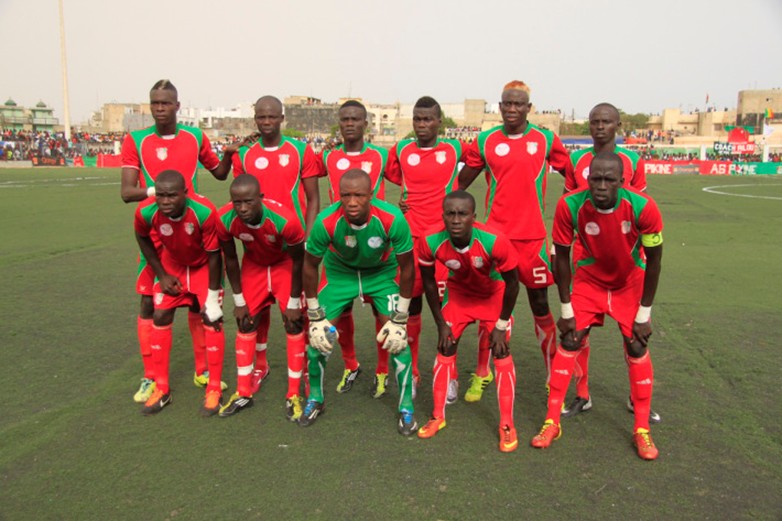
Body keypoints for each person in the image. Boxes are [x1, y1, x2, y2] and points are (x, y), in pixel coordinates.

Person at [530, 151, 663, 461]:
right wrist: (565, 310)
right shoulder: (571, 205)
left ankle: (641, 429)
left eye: (609, 180)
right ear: (587, 179)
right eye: (595, 179)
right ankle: (552, 421)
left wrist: (644, 314)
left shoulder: (643, 207)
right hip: (589, 281)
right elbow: (560, 257)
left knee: (636, 345)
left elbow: (654, 262)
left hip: (629, 281)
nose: (601, 186)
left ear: (622, 181)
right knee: (570, 339)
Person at [120, 79, 234, 404]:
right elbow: (127, 192)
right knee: (149, 302)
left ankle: (203, 370)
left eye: (165, 103)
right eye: (154, 103)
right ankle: (150, 377)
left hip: (191, 227)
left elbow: (220, 173)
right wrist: (165, 193)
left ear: (177, 106)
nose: (159, 109)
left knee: (199, 305)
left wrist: (226, 156)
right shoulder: (136, 140)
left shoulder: (195, 136)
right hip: (158, 230)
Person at [458, 80, 572, 395]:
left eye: (518, 104)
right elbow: (461, 183)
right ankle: (483, 372)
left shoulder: (545, 140)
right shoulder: (486, 141)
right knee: (491, 306)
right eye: (506, 103)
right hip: (495, 238)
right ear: (499, 106)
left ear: (528, 108)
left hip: (533, 239)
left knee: (539, 305)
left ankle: (553, 377)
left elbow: (572, 177)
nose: (511, 109)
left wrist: (567, 211)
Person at [298, 169, 418, 435]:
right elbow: (309, 266)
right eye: (346, 195)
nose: (351, 202)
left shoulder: (391, 218)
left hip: (382, 273)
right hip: (341, 274)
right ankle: (315, 399)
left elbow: (408, 268)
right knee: (317, 337)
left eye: (359, 195)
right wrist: (315, 313)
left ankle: (406, 406)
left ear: (371, 195)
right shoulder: (326, 221)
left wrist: (401, 316)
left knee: (397, 337)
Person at [561, 102, 659, 423]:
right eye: (594, 122)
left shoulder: (632, 161)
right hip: (587, 257)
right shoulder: (575, 160)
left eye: (606, 122)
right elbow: (571, 205)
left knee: (631, 332)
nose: (600, 127)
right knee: (579, 331)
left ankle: (636, 399)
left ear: (618, 125)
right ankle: (582, 393)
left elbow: (638, 206)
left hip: (625, 257)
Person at [416, 191, 520, 452]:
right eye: (450, 213)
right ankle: (437, 416)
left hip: (493, 292)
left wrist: (500, 324)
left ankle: (507, 424)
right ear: (443, 216)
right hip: (460, 293)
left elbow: (513, 284)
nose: (456, 219)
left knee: (501, 350)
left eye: (463, 214)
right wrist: (440, 323)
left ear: (474, 217)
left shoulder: (495, 241)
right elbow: (429, 283)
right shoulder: (429, 241)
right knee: (445, 346)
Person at [230, 95, 320, 394]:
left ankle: (303, 371)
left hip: (290, 249)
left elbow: (313, 198)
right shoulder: (244, 156)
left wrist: (307, 239)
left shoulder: (300, 150)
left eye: (272, 117)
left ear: (282, 118)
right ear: (255, 118)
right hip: (256, 249)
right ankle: (261, 365)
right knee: (254, 314)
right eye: (261, 117)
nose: (266, 122)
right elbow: (240, 198)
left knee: (296, 315)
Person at [385, 96, 464, 398]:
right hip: (410, 241)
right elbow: (394, 175)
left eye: (428, 119)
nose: (422, 125)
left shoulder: (454, 148)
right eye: (417, 119)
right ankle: (413, 373)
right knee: (412, 306)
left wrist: (456, 191)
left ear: (439, 121)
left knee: (446, 311)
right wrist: (404, 198)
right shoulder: (402, 149)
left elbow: (475, 164)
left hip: (444, 241)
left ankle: (449, 374)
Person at [134, 170, 226, 416]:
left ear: (185, 193)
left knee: (211, 317)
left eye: (172, 196)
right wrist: (161, 274)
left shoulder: (204, 212)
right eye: (161, 196)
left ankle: (213, 388)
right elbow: (141, 237)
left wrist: (212, 295)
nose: (165, 202)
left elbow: (215, 255)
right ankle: (162, 388)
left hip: (204, 267)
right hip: (172, 266)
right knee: (161, 315)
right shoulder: (146, 211)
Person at [216, 175, 307, 420]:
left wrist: (294, 302)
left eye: (248, 202)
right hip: (253, 265)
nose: (243, 208)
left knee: (294, 322)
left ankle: (294, 392)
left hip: (284, 264)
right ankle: (244, 390)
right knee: (246, 322)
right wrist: (238, 301)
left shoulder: (285, 220)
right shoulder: (224, 218)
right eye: (237, 202)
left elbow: (300, 261)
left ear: (261, 199)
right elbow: (231, 259)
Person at [319, 100, 389, 395]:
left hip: (376, 246)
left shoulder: (383, 156)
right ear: (340, 122)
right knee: (340, 308)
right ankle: (351, 364)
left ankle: (383, 370)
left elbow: (411, 180)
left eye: (356, 119)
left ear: (365, 123)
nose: (350, 124)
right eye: (345, 119)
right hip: (340, 247)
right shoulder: (328, 157)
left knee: (382, 311)